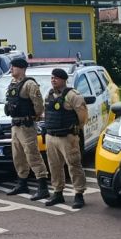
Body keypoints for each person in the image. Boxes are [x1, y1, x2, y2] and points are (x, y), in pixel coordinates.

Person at [3, 57, 50, 200]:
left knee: (33, 155)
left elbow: (39, 106)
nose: (11, 69)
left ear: (21, 68)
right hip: (15, 125)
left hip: (26, 126)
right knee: (18, 156)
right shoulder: (13, 83)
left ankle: (43, 187)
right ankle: (22, 183)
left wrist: (33, 116)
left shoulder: (30, 84)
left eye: (13, 67)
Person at [42, 67, 88, 209]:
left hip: (67, 137)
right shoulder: (49, 94)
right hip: (51, 135)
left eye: (56, 78)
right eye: (52, 78)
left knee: (74, 165)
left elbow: (83, 116)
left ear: (63, 80)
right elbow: (46, 114)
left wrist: (75, 130)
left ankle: (79, 194)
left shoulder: (73, 95)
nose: (53, 80)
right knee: (54, 166)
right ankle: (58, 192)